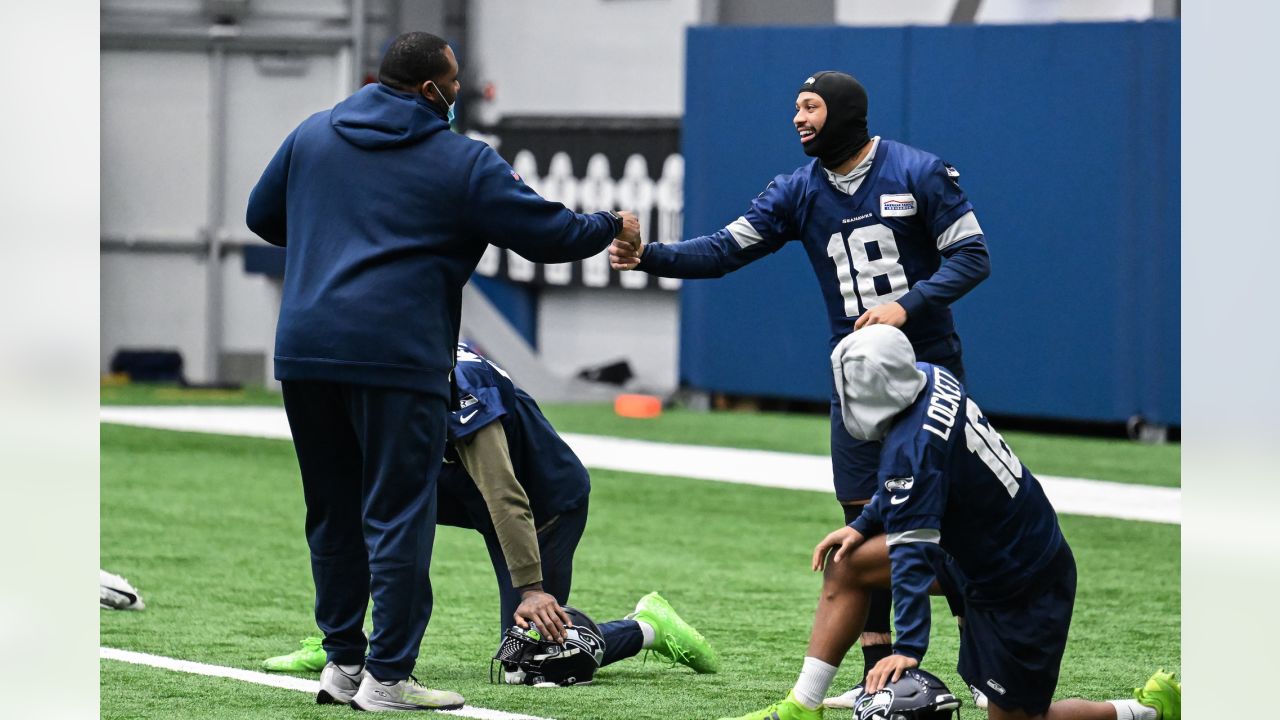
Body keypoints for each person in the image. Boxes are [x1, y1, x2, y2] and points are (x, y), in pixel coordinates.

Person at [246, 31, 641, 712]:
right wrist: (614, 223)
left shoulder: (313, 134)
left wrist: (332, 238)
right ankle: (388, 677)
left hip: (306, 349)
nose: (459, 91)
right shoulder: (461, 161)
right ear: (431, 88)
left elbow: (262, 217)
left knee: (332, 510)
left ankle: (341, 663)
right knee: (398, 514)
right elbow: (549, 235)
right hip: (396, 356)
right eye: (453, 82)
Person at [609, 70, 990, 687]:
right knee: (861, 521)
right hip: (856, 383)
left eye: (810, 106)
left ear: (843, 112)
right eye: (795, 107)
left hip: (927, 372)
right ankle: (879, 679)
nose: (797, 118)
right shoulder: (797, 190)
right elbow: (724, 249)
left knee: (947, 519)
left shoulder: (919, 172)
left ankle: (982, 668)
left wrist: (907, 304)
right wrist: (649, 255)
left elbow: (973, 256)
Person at [717, 325, 1180, 720]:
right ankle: (804, 704)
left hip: (1020, 581)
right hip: (974, 547)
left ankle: (1146, 708)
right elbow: (924, 480)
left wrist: (909, 649)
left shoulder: (909, 446)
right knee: (849, 562)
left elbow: (912, 555)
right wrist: (862, 526)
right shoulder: (931, 377)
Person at [262, 344, 719, 682]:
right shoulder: (384, 364)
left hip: (542, 505)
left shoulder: (459, 384)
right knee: (359, 503)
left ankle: (647, 627)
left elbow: (505, 493)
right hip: (461, 489)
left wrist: (532, 589)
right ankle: (341, 643)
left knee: (531, 664)